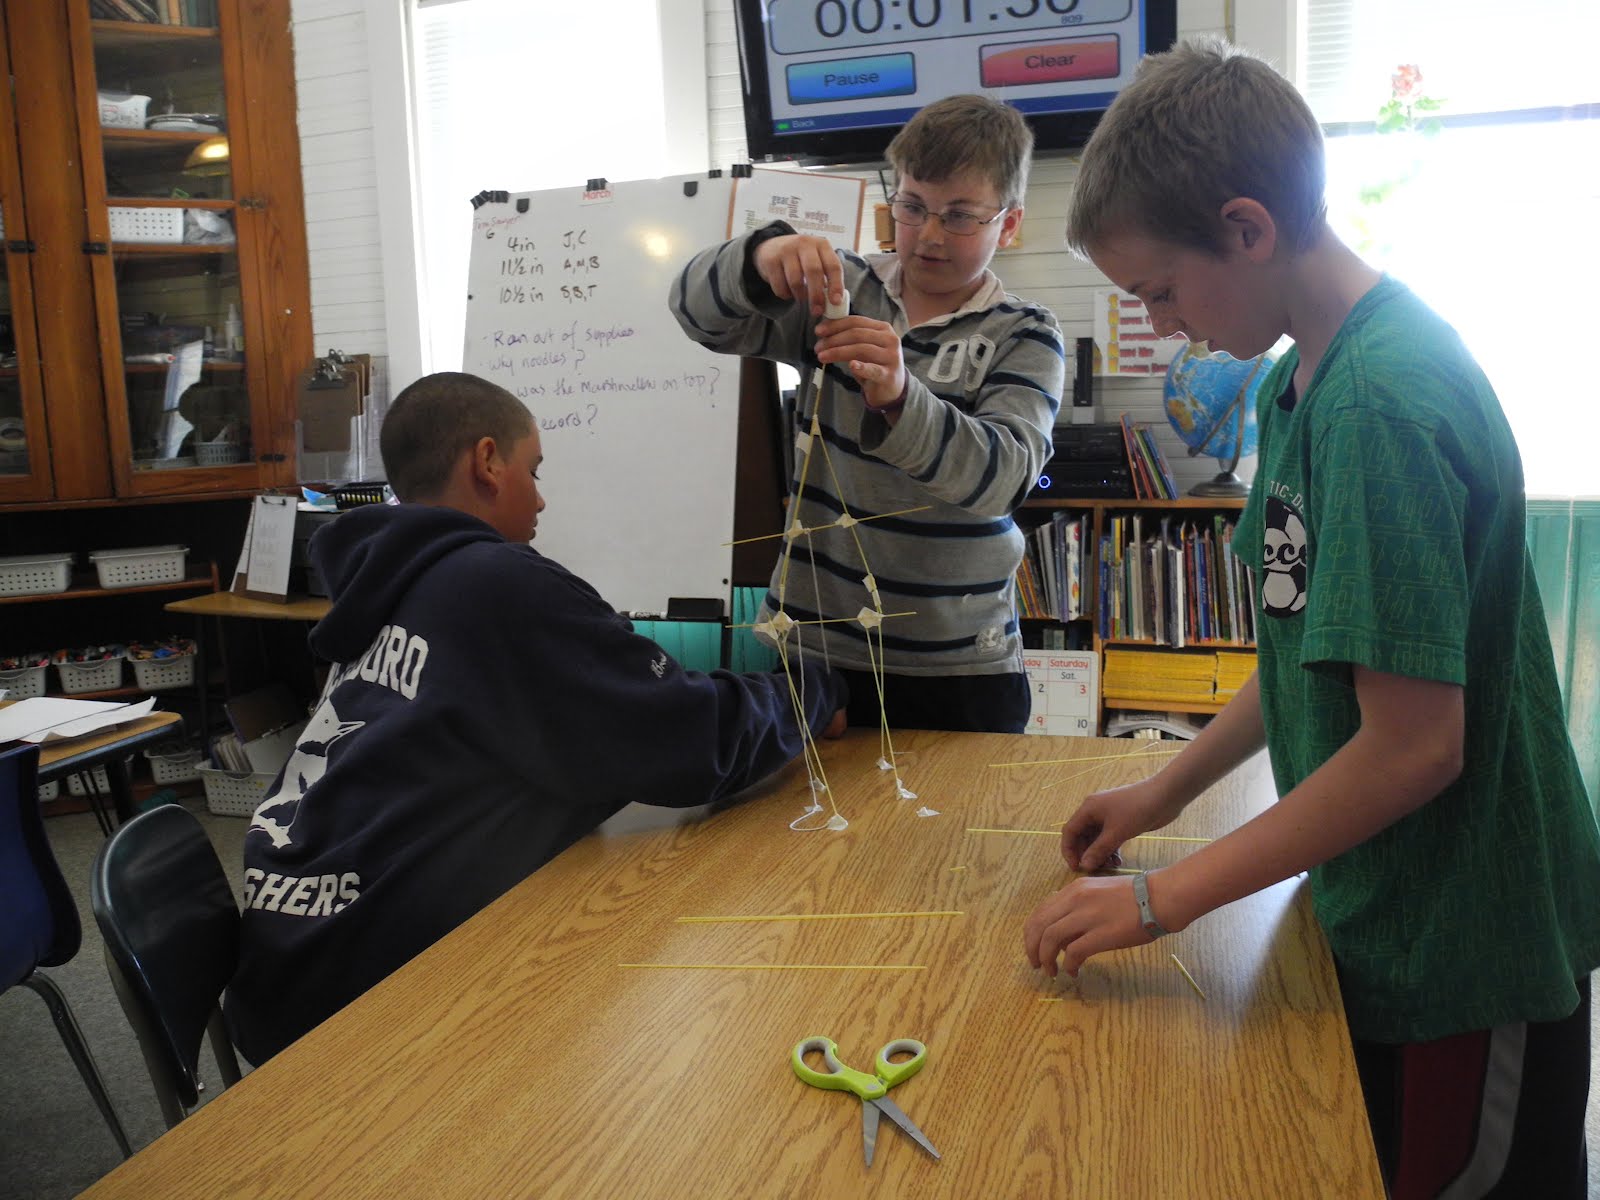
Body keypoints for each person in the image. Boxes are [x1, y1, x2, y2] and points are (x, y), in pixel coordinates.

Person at [1021, 39, 1600, 1199]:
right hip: (1378, 906)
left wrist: (1160, 899)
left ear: (1246, 228)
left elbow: (1415, 747)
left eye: (1161, 291)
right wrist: (1162, 792)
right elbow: (1300, 646)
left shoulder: (1377, 404)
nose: (1162, 325)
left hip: (1461, 946)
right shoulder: (1300, 379)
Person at [227, 371, 846, 1064]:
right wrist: (811, 692)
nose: (543, 497)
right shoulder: (495, 584)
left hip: (290, 958)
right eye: (535, 469)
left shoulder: (384, 585)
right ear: (488, 462)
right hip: (370, 1004)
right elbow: (691, 740)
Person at [669, 95, 1064, 734]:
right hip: (816, 651)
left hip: (961, 665)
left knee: (960, 807)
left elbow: (1004, 479)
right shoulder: (842, 291)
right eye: (912, 207)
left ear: (1009, 224)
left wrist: (902, 397)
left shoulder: (1025, 333)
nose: (929, 235)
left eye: (960, 216)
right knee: (804, 803)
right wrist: (758, 260)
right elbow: (696, 316)